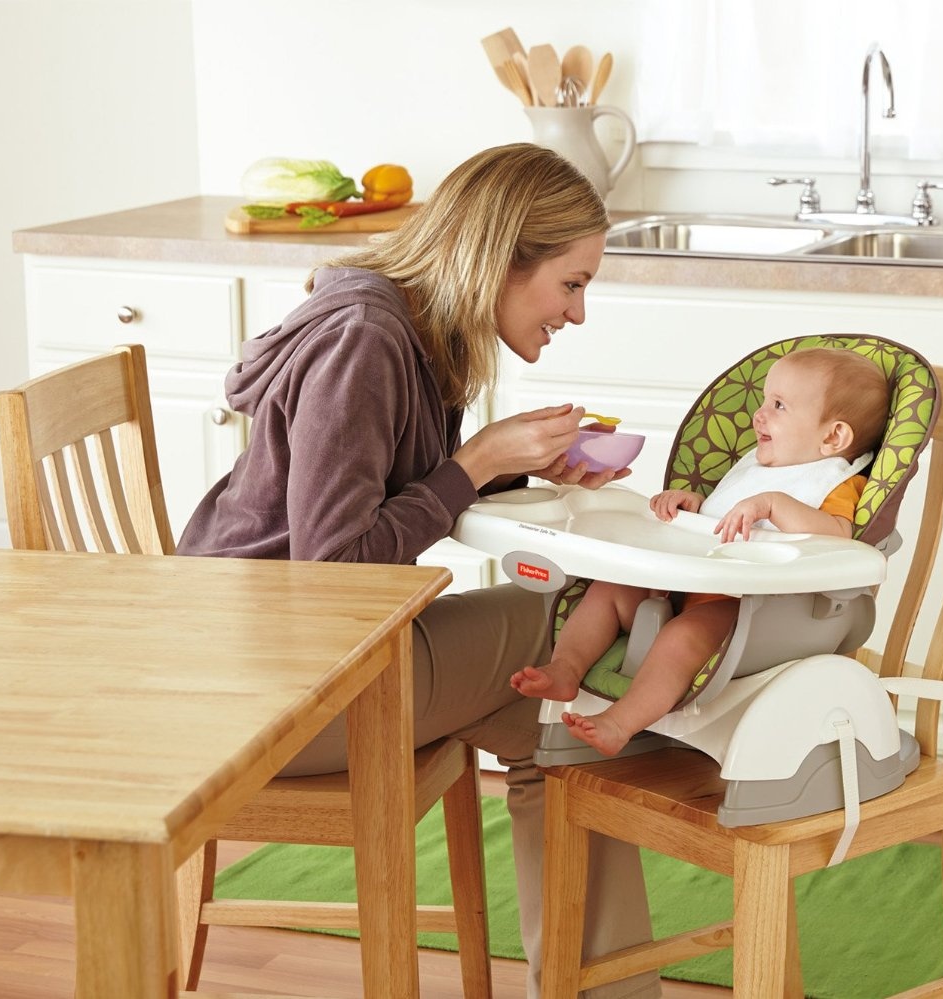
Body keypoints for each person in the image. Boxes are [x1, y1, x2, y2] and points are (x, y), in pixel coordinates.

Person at [177, 143, 659, 999]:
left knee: (556, 706)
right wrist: (477, 462)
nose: (578, 312)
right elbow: (334, 568)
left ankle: (596, 987)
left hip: (290, 658)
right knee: (569, 635)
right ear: (503, 258)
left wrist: (512, 467)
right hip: (274, 693)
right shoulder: (363, 341)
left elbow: (384, 493)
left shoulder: (409, 327)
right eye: (572, 283)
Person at [510, 346, 891, 756]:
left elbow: (839, 535)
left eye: (779, 405)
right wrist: (695, 507)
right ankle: (566, 668)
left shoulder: (833, 482)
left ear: (833, 437)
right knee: (607, 589)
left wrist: (774, 505)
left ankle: (620, 723)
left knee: (682, 637)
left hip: (750, 611)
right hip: (680, 585)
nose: (759, 415)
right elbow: (722, 522)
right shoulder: (755, 466)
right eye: (765, 400)